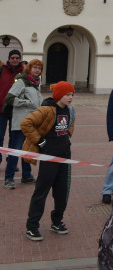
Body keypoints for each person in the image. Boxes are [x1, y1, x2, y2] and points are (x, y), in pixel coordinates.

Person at [21, 81, 75, 241]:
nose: (71, 97)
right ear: (59, 95)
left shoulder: (71, 110)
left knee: (62, 191)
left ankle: (57, 221)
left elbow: (69, 127)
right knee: (41, 191)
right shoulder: (46, 109)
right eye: (67, 94)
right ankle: (32, 226)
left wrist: (66, 139)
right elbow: (26, 123)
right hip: (49, 157)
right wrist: (40, 141)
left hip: (65, 157)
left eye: (72, 94)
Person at [4, 58, 44, 188]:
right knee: (16, 150)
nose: (37, 70)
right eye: (35, 67)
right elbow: (9, 98)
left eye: (39, 68)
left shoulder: (35, 83)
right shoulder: (21, 81)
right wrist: (26, 103)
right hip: (21, 122)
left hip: (32, 123)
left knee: (28, 150)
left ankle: (26, 176)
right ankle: (9, 178)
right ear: (29, 68)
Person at [0, 49, 24, 162]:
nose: (15, 60)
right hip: (1, 109)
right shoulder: (2, 70)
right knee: (0, 136)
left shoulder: (24, 72)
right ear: (9, 59)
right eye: (12, 58)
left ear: (20, 59)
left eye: (17, 58)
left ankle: (11, 159)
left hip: (16, 110)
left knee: (13, 138)